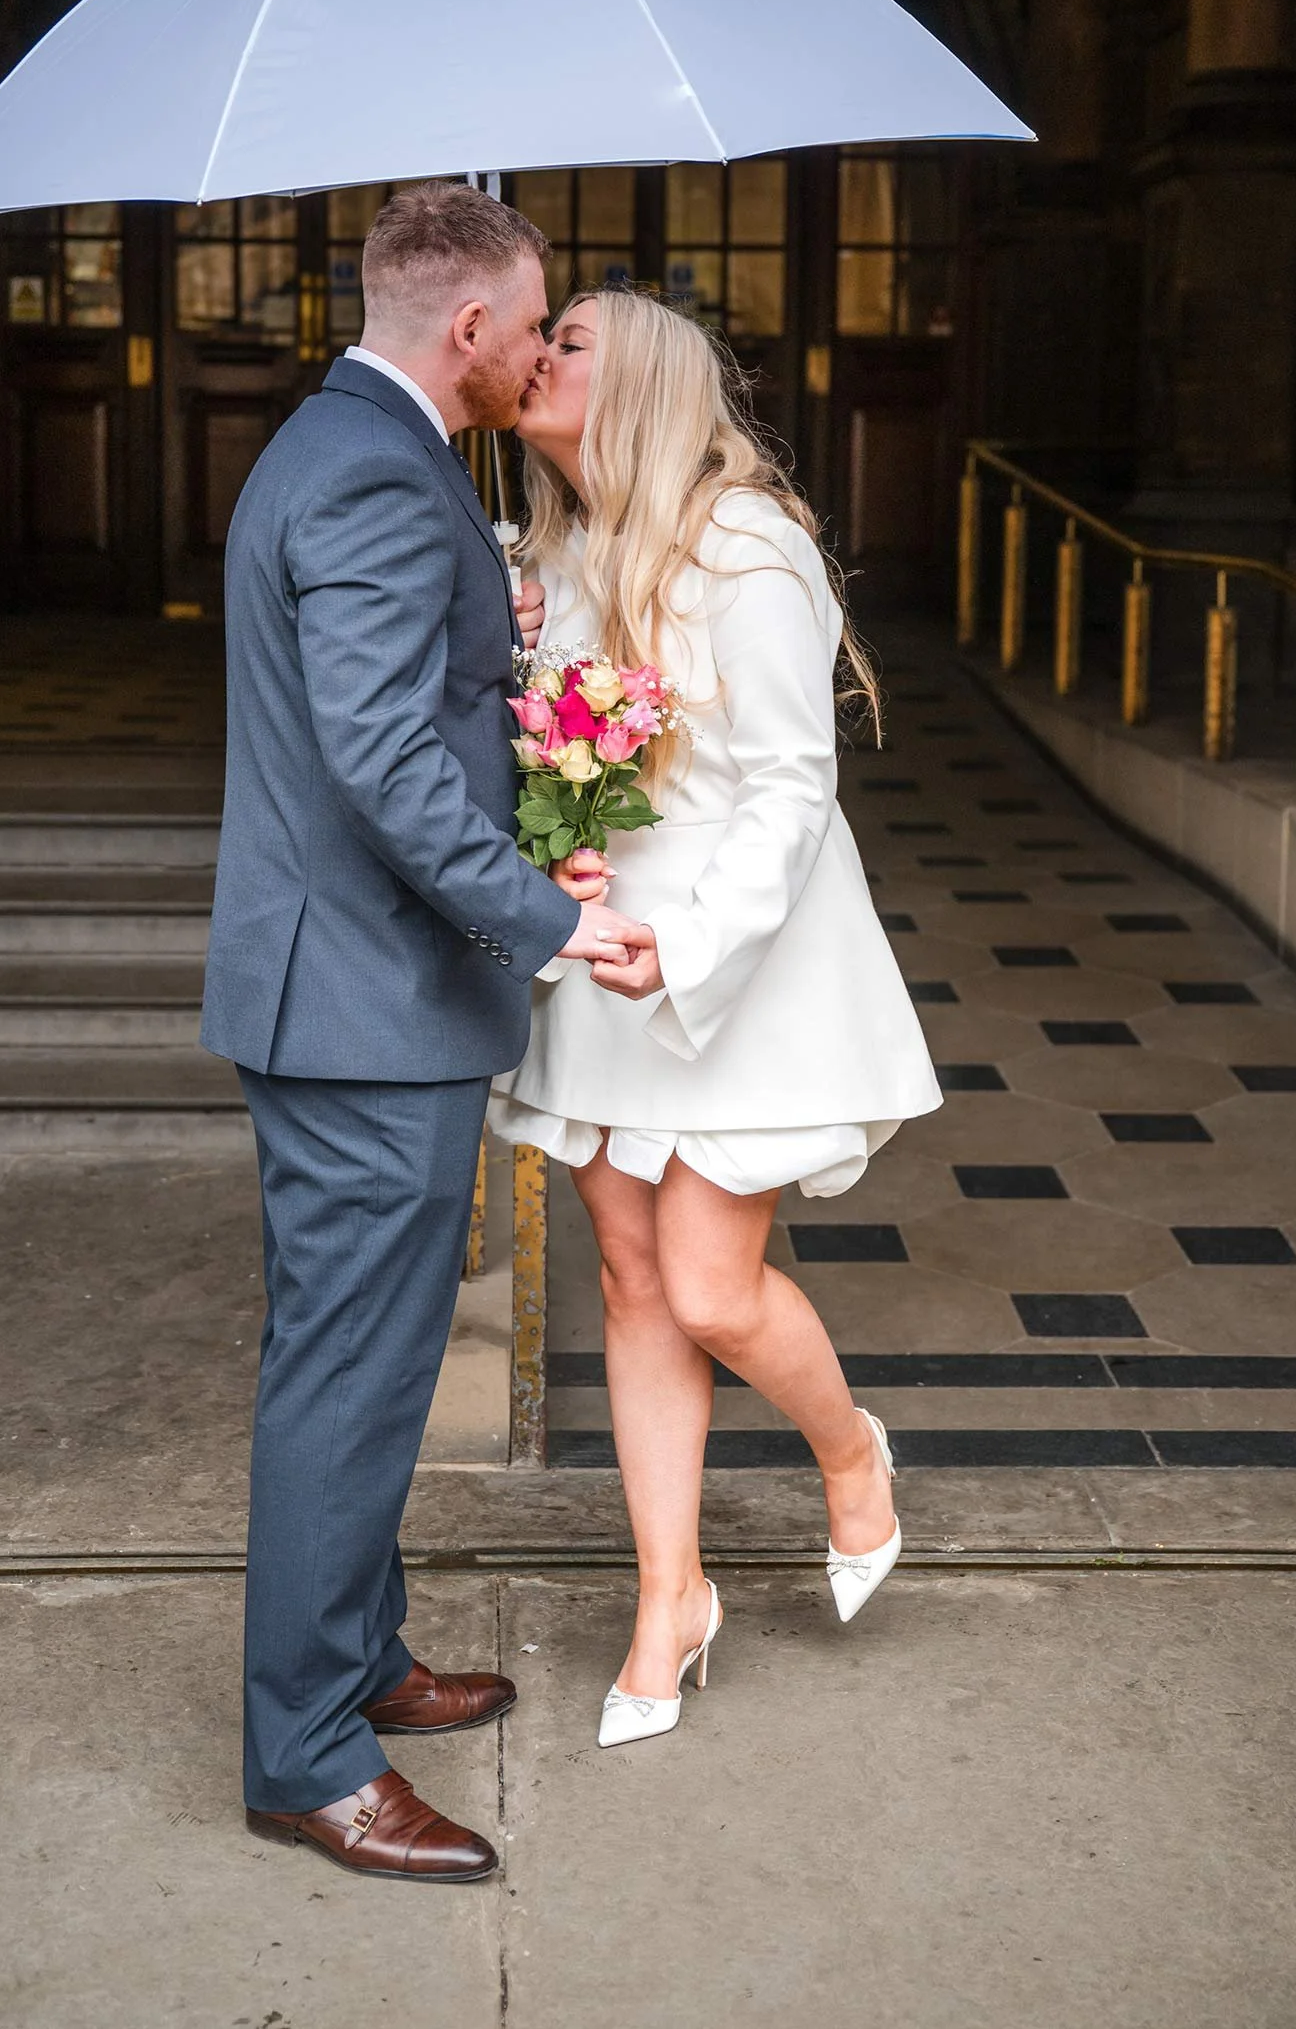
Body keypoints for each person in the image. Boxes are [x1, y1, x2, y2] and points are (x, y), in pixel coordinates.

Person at [202, 185, 650, 1881]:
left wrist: (490, 644)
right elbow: (379, 761)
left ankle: (359, 1657)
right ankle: (309, 1758)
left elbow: (392, 704)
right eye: (532, 325)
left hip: (341, 992)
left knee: (357, 1360)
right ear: (469, 327)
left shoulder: (347, 446)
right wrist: (548, 916)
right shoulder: (382, 477)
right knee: (350, 1376)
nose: (540, 353)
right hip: (360, 1004)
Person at [490, 284, 942, 1748]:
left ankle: (850, 1453)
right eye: (539, 336)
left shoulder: (745, 544)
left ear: (642, 387)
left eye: (568, 342)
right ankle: (668, 1598)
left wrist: (685, 950)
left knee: (705, 1286)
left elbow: (792, 786)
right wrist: (547, 857)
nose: (536, 357)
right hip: (601, 947)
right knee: (631, 1284)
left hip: (734, 957)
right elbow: (554, 764)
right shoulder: (549, 556)